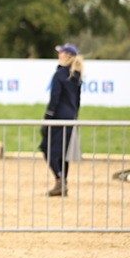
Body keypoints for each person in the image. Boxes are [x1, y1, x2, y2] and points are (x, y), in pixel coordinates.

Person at [40, 42, 83, 197]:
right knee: (63, 153)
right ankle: (62, 181)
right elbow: (77, 101)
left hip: (58, 118)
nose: (59, 55)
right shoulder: (77, 75)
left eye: (61, 53)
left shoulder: (59, 74)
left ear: (67, 56)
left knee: (47, 149)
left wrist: (47, 118)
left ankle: (59, 181)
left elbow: (55, 99)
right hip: (71, 118)